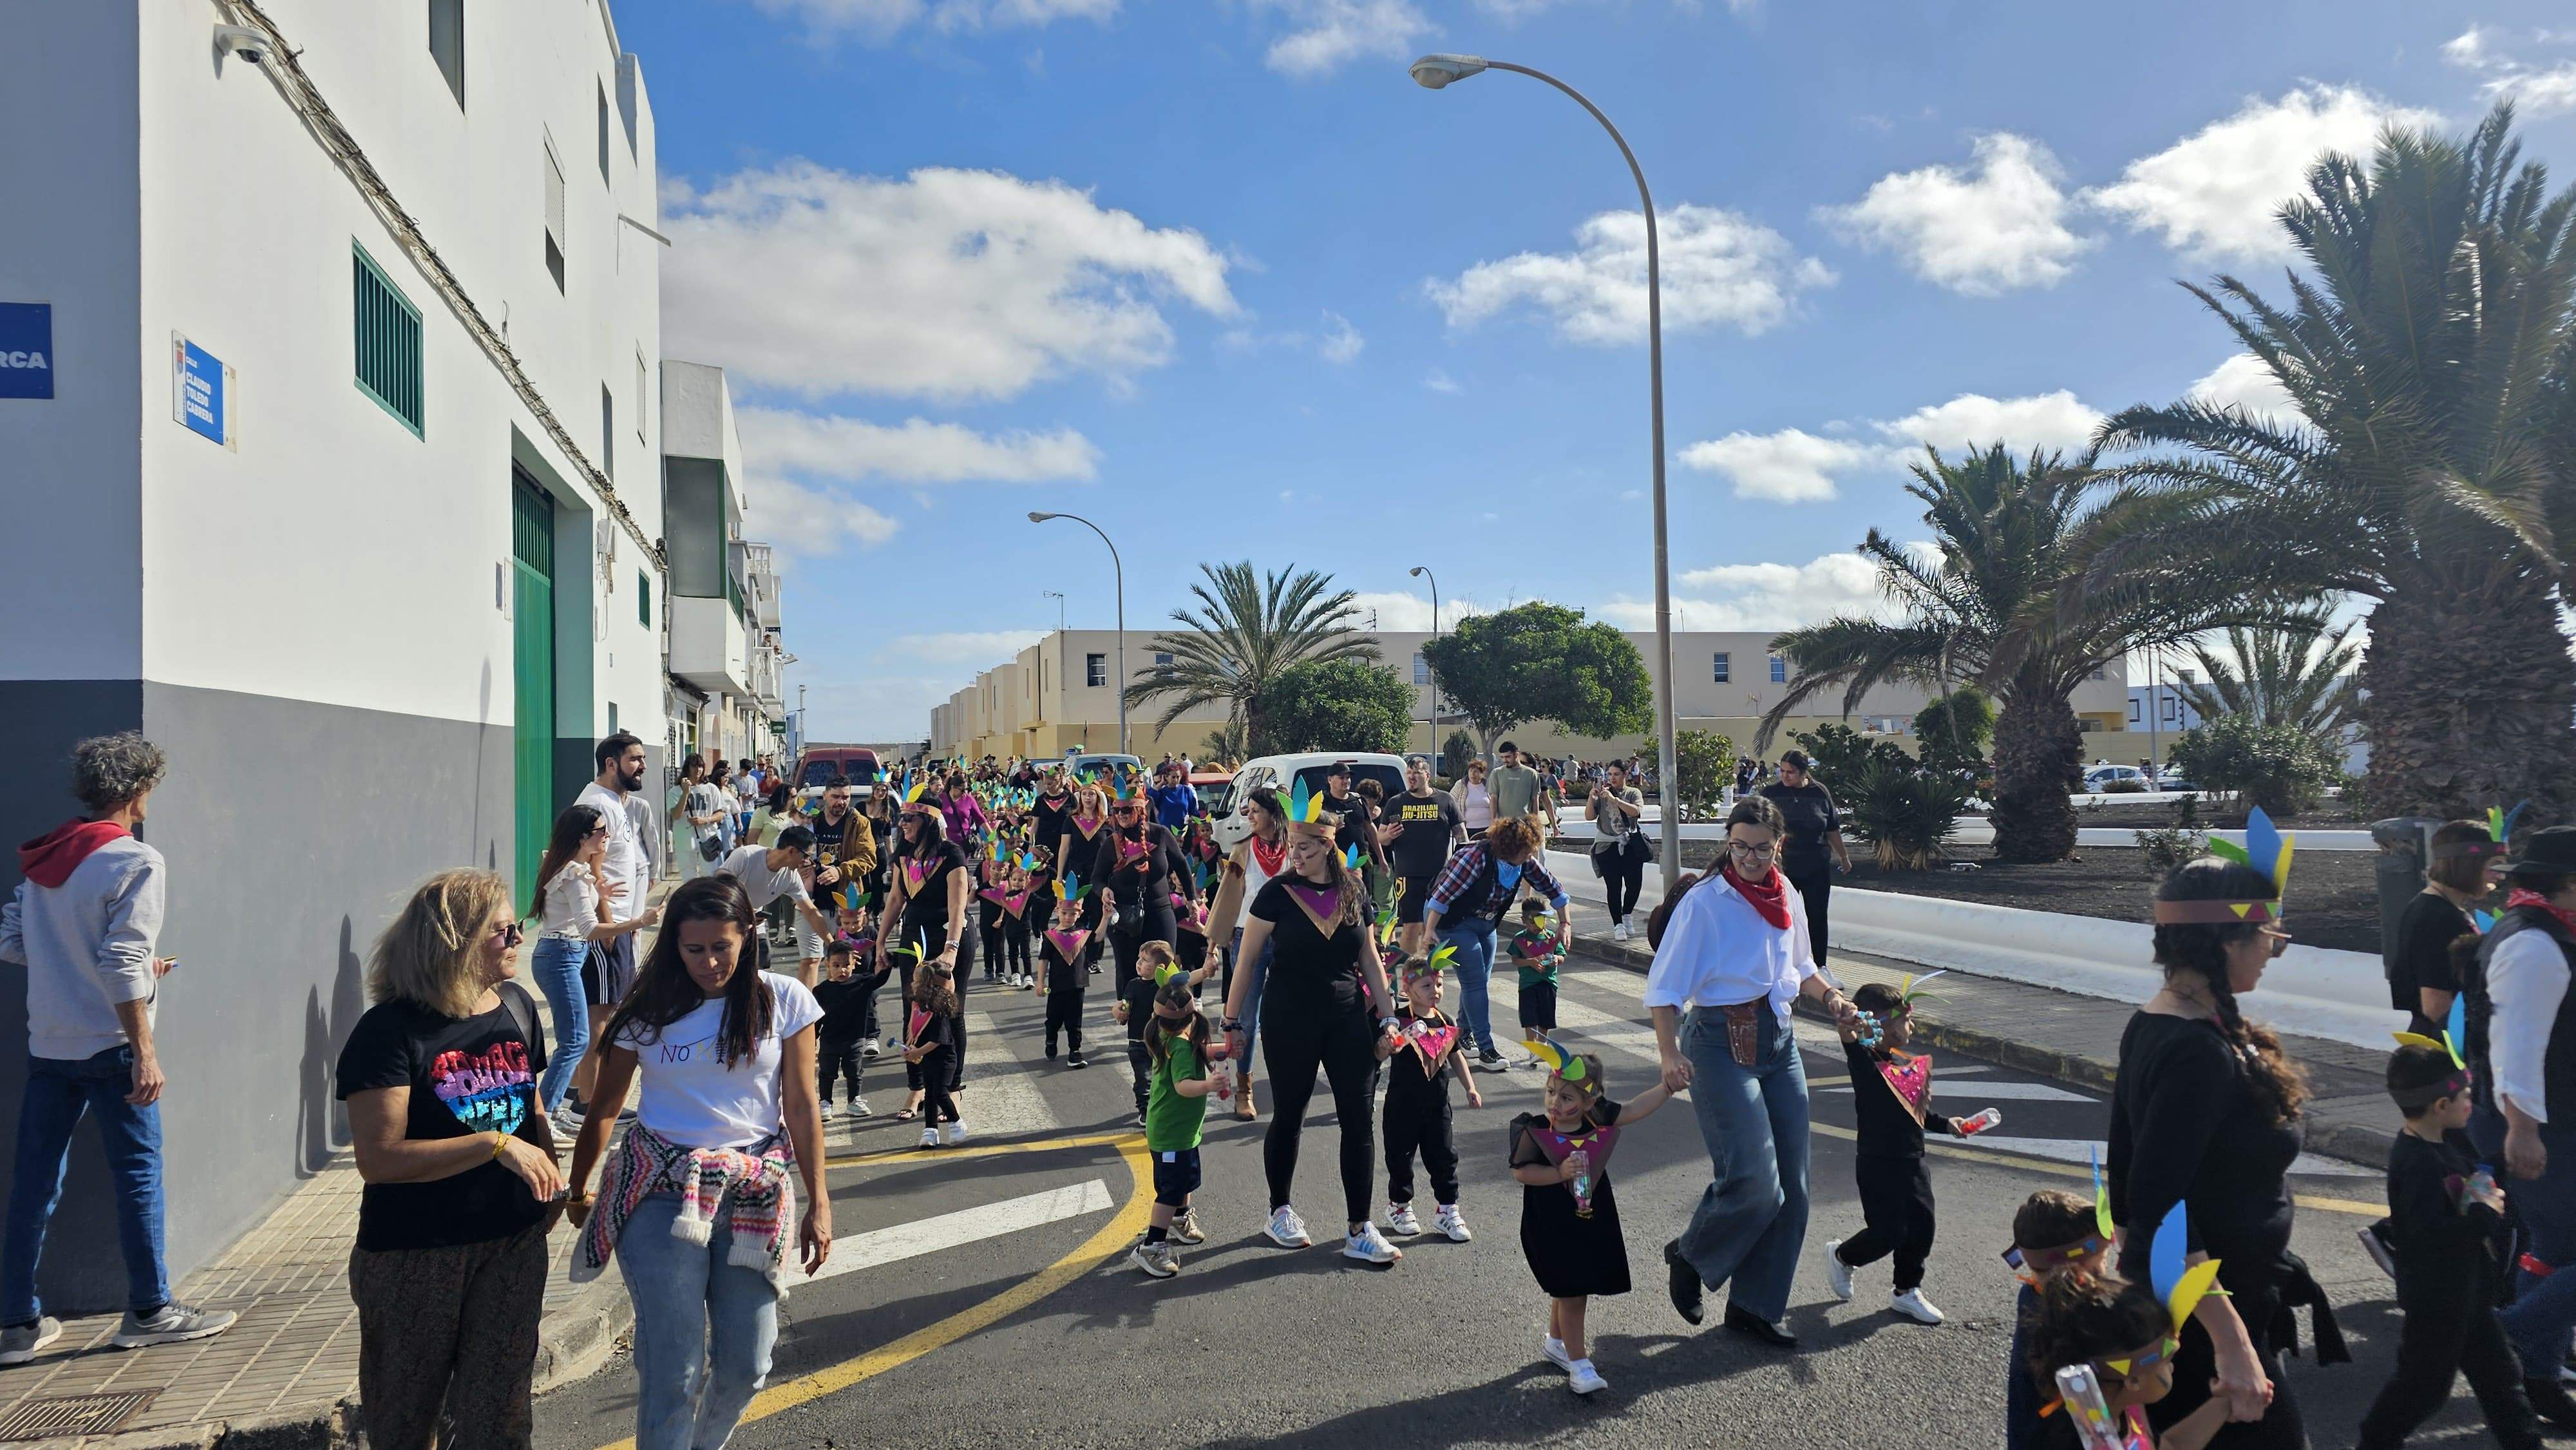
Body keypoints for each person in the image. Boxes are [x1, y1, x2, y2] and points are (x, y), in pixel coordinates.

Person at [564, 877, 829, 1450]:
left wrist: (820, 1205)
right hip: (660, 1190)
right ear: (674, 947)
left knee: (749, 1364)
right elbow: (606, 1108)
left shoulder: (784, 1000)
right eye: (693, 949)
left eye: (721, 947)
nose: (709, 962)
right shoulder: (647, 1010)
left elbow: (804, 1108)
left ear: (748, 936)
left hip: (755, 1191)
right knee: (673, 1369)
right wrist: (578, 1188)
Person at [0, 734, 233, 1365]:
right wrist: (145, 1048)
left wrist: (109, 968)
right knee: (137, 1173)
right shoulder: (135, 860)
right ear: (138, 792)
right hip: (110, 1045)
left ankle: (15, 1323)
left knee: (34, 1182)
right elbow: (121, 958)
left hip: (50, 1044)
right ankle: (152, 1309)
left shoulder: (45, 859)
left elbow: (16, 943)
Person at [336, 869, 560, 1450]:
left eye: (518, 928)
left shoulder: (515, 1003)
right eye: (502, 932)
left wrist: (553, 1176)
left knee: (501, 1414)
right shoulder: (388, 1031)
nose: (517, 941)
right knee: (407, 1419)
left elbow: (528, 1098)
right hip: (415, 1254)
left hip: (511, 1241)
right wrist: (493, 1144)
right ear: (453, 942)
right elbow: (380, 1159)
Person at [1645, 793, 1864, 1350]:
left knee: (1794, 1187)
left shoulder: (1787, 893)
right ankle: (1691, 1253)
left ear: (1778, 845)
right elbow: (1666, 988)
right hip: (1718, 1041)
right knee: (1756, 1182)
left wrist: (1833, 998)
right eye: (1739, 847)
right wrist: (1671, 1055)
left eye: (1760, 848)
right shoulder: (1705, 903)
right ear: (1728, 842)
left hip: (1778, 1039)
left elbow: (1804, 969)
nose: (1748, 858)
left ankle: (1754, 1306)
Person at [2109, 854, 2315, 1445]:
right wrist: (2233, 1345)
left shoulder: (2161, 1023)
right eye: (2271, 939)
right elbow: (2155, 1204)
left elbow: (2128, 1184)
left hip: (2215, 1302)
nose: (2272, 954)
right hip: (2204, 1321)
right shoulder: (2194, 1051)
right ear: (2228, 941)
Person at [1220, 793, 1406, 1264]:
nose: (1294, 855)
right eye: (1292, 847)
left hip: (1346, 1019)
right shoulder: (1275, 894)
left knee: (1359, 1119)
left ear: (1328, 845)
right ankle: (1279, 1209)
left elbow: (1369, 959)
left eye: (1304, 847)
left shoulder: (1353, 891)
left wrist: (1389, 1015)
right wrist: (1232, 1021)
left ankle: (1359, 1227)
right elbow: (1246, 964)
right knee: (1290, 1115)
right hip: (1288, 1020)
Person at [2354, 1041, 2540, 1450]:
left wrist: (2505, 1161)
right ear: (2441, 1104)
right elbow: (2429, 1236)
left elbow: (2477, 1175)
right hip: (2436, 1298)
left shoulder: (2452, 1140)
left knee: (2503, 1377)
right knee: (2425, 1386)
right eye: (2466, 1096)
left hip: (2469, 1290)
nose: (2472, 1103)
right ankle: (2376, 1440)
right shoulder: (2417, 1162)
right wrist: (2485, 1214)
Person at [2467, 825, 2576, 1427]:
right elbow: (2517, 1046)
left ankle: (2535, 1380)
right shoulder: (2536, 945)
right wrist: (2523, 1130)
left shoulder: (2547, 933)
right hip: (2538, 1125)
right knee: (2561, 1248)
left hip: (2547, 1119)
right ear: (2567, 884)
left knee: (2555, 1251)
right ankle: (2500, 1338)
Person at [1510, 1044, 1677, 1397]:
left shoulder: (1596, 1118)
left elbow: (1633, 1109)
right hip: (1551, 1220)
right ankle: (1580, 1364)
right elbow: (1522, 1173)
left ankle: (1557, 1343)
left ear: (1589, 1101)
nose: (1555, 1102)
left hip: (1590, 1214)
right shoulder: (1535, 1129)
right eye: (1551, 1092)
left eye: (1566, 1097)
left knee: (1572, 1284)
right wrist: (1558, 1173)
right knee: (1572, 1290)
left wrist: (1666, 1088)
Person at [1824, 981, 1973, 1326]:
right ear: (1883, 1023)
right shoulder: (1865, 1060)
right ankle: (1843, 1256)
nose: (1912, 1026)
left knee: (1923, 1226)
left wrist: (1949, 1124)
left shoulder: (1906, 1066)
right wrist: (1848, 1025)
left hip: (1913, 1160)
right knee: (1888, 1232)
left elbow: (1918, 1114)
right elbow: (1849, 1040)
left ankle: (1906, 1291)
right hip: (1878, 1162)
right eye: (1906, 1020)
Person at [529, 805, 659, 1120]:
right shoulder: (573, 874)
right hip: (560, 957)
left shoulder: (570, 869)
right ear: (582, 837)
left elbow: (568, 908)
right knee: (575, 1042)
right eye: (602, 832)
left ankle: (550, 1110)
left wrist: (595, 890)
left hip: (560, 956)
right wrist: (638, 922)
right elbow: (590, 930)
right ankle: (544, 1115)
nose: (608, 837)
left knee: (573, 1039)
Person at [1422, 818, 1572, 1069]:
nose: (1531, 854)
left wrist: (1565, 923)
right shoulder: (1475, 858)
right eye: (1527, 850)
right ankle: (1486, 1049)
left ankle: (1463, 1036)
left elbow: (1555, 890)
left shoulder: (1524, 863)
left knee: (1481, 980)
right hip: (1451, 921)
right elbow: (1441, 897)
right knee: (1475, 982)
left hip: (1485, 923)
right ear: (1510, 849)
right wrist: (1428, 932)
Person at [2022, 1274, 2230, 1450]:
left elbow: (2168, 1446)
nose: (2172, 1368)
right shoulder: (2083, 1442)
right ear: (2133, 1379)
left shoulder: (2128, 1408)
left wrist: (2225, 1404)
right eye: (2167, 1361)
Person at [567, 733, 652, 1134]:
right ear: (611, 763)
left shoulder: (618, 803)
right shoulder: (595, 804)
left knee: (607, 1012)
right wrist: (608, 928)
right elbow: (592, 872)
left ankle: (573, 1088)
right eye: (635, 759)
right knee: (600, 1017)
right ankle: (589, 1103)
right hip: (609, 929)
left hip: (623, 927)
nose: (643, 766)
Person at [879, 800, 973, 1130]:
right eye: (900, 818)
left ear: (929, 822)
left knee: (949, 1010)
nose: (902, 824)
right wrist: (881, 941)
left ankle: (953, 1086)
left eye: (909, 819)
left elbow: (957, 908)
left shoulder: (952, 855)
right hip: (913, 939)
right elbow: (895, 900)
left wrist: (950, 950)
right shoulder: (904, 856)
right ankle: (916, 1087)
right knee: (913, 1010)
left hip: (950, 936)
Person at [1379, 956, 1480, 1243]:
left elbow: (1456, 1055)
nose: (1435, 990)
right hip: (1403, 1105)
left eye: (1439, 983)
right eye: (1426, 985)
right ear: (1408, 990)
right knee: (1400, 1156)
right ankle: (1399, 1206)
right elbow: (1381, 1051)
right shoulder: (1398, 1020)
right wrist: (1391, 1044)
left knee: (1444, 1156)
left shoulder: (1444, 1021)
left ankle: (1447, 1209)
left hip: (1438, 1105)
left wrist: (1470, 1087)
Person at [2003, 1191, 2113, 1450]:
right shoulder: (2076, 1315)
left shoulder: (2032, 1293)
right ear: (2082, 1263)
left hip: (2030, 1436)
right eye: (2105, 1257)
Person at [1128, 976, 1218, 1279]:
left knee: (1185, 1180)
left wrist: (1225, 1049)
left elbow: (1201, 1051)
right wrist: (1209, 1084)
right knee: (1170, 1190)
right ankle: (1151, 1246)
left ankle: (1180, 1220)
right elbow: (1183, 1086)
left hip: (1179, 1133)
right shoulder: (1179, 1045)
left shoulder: (1168, 1036)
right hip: (1171, 1134)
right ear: (1191, 1017)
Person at [2391, 818, 2502, 1037]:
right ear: (2468, 865)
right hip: (2444, 1047)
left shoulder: (2437, 907)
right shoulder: (2436, 917)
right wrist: (2479, 1048)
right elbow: (2435, 1005)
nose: (2500, 875)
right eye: (2494, 866)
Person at [1754, 750, 1850, 968]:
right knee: (1780, 916)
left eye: (1791, 772)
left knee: (1817, 917)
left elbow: (1832, 827)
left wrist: (1844, 857)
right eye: (1782, 771)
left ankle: (1820, 967)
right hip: (1783, 866)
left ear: (1804, 772)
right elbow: (1759, 827)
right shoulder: (1771, 793)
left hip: (1816, 864)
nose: (1785, 776)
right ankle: (1781, 963)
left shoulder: (1819, 792)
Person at [1092, 791, 1182, 997]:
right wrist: (1103, 890)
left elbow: (1182, 866)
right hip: (1124, 917)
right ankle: (1129, 1014)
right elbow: (1097, 878)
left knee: (1166, 966)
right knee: (1128, 969)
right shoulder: (1110, 843)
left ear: (1140, 811)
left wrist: (1193, 901)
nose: (1121, 815)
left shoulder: (1161, 834)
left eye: (1127, 810)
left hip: (1160, 910)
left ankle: (1167, 1016)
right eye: (1117, 810)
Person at [717, 829, 837, 984]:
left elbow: (810, 912)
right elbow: (718, 889)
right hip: (724, 922)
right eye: (806, 856)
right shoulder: (746, 856)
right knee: (729, 970)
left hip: (753, 924)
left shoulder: (791, 877)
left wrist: (832, 944)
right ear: (792, 851)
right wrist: (741, 917)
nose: (808, 862)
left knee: (759, 963)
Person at [1379, 755, 1465, 958]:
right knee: (1411, 926)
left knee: (1433, 926)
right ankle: (1411, 974)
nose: (1411, 777)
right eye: (1408, 773)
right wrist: (1388, 835)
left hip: (1439, 876)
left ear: (1427, 775)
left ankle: (1432, 971)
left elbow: (1461, 835)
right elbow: (1380, 837)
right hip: (1408, 875)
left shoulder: (1445, 800)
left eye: (1416, 773)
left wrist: (1460, 866)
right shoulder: (1396, 803)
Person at [799, 777, 875, 984]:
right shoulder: (811, 820)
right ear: (825, 796)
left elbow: (869, 858)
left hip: (845, 903)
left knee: (842, 962)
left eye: (845, 797)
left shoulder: (859, 822)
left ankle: (836, 1009)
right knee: (811, 959)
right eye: (835, 797)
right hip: (811, 901)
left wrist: (840, 871)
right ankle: (809, 1011)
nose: (841, 802)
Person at [812, 937, 877, 1122]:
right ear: (827, 964)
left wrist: (883, 960)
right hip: (830, 1040)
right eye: (836, 965)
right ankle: (825, 1102)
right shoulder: (821, 990)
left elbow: (879, 978)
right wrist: (812, 1038)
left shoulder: (862, 983)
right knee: (827, 1073)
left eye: (846, 965)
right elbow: (817, 1017)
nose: (842, 970)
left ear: (854, 964)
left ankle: (854, 1101)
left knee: (855, 1072)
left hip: (855, 1039)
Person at [1585, 762, 1649, 943]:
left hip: (1630, 844)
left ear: (1625, 774)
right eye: (1609, 774)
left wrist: (1616, 801)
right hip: (1607, 845)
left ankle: (1627, 914)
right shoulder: (1602, 794)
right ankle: (1618, 925)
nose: (1612, 778)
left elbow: (1636, 812)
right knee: (1614, 887)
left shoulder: (1633, 793)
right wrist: (1591, 798)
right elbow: (1589, 816)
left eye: (1617, 774)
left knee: (1634, 884)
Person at [902, 968, 963, 1148]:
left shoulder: (937, 1011)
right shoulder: (921, 1007)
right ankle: (930, 1131)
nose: (912, 986)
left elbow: (938, 1040)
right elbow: (920, 1035)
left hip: (944, 1060)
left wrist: (917, 1052)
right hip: (929, 1059)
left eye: (915, 982)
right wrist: (912, 1048)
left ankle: (956, 1123)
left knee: (940, 1093)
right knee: (929, 1095)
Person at [1039, 889, 1095, 1067]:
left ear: (1080, 914)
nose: (1068, 917)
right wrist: (1040, 982)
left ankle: (1075, 1051)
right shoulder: (1051, 935)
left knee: (1074, 1021)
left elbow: (1099, 936)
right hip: (1056, 986)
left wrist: (1106, 917)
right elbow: (1043, 960)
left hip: (1077, 985)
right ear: (1057, 911)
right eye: (1064, 913)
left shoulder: (1082, 935)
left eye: (1073, 914)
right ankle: (1051, 1040)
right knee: (1053, 1020)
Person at [1510, 900, 1566, 1039]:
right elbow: (1515, 960)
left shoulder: (1552, 937)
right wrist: (1530, 962)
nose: (1538, 926)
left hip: (1548, 983)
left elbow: (1561, 957)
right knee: (1530, 1018)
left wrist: (1555, 959)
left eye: (1542, 921)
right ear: (1524, 920)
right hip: (1527, 985)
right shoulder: (1520, 939)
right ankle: (1532, 1047)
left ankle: (1543, 1044)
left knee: (1545, 1017)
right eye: (1533, 922)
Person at [682, 757, 726, 878]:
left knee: (709, 876)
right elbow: (674, 815)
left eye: (701, 766)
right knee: (689, 878)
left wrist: (705, 820)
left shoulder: (711, 788)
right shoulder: (678, 790)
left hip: (709, 839)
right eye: (694, 766)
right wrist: (685, 792)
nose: (698, 770)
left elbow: (720, 814)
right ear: (688, 768)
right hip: (686, 841)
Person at [1488, 742, 1545, 826]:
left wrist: (1535, 824)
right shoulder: (1496, 773)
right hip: (1503, 824)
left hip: (1524, 825)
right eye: (1502, 757)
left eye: (1508, 757)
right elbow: (1494, 799)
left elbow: (1535, 800)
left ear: (1516, 755)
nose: (1504, 760)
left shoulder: (1531, 774)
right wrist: (1493, 822)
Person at [1148, 762, 1198, 836]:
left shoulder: (1186, 791)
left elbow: (1194, 812)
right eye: (1173, 777)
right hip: (1166, 832)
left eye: (1178, 777)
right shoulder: (1161, 792)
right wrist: (1161, 783)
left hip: (1183, 832)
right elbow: (1149, 797)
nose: (1176, 780)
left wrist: (1192, 819)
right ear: (1166, 777)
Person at [1451, 758, 1494, 841]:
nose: (1472, 774)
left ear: (1482, 773)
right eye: (1470, 771)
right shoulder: (1461, 785)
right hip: (1468, 828)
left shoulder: (1489, 785)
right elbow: (1450, 801)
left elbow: (1495, 803)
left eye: (1475, 771)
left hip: (1487, 828)